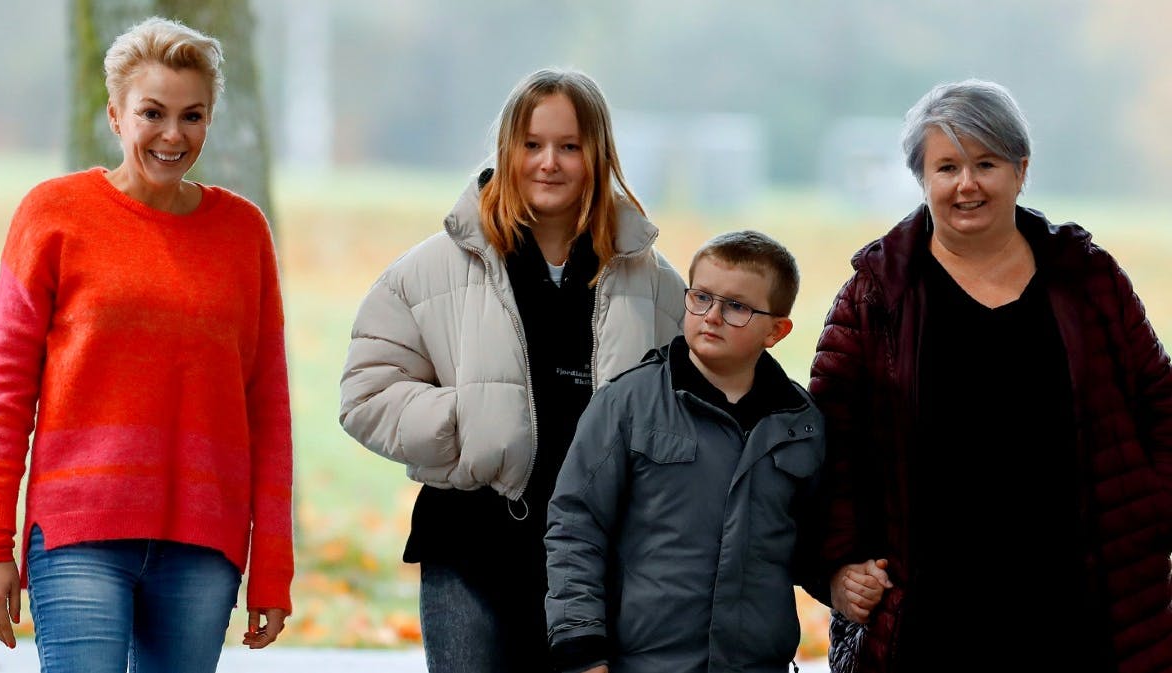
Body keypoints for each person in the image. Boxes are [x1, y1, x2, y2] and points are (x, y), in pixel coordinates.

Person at [810, 78, 1172, 673]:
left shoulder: (1088, 277)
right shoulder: (879, 292)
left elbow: (1160, 401)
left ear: (1021, 170)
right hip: (929, 621)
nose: (967, 184)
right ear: (923, 179)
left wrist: (1149, 518)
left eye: (986, 162)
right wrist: (837, 563)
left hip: (1079, 613)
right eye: (947, 166)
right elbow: (825, 444)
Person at [0, 16, 293, 672]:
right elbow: (6, 392)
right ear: (115, 115)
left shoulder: (242, 232)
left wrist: (274, 568)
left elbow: (269, 410)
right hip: (77, 533)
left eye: (193, 115)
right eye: (153, 112)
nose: (173, 134)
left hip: (204, 543)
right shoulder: (54, 214)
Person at [338, 68, 685, 672]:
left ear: (597, 155)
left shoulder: (652, 282)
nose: (548, 163)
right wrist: (467, 424)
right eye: (531, 145)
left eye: (569, 146)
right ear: (507, 151)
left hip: (605, 564)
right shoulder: (432, 269)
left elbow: (694, 403)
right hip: (471, 552)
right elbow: (365, 394)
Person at [546, 230, 874, 673]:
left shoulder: (802, 424)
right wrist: (581, 650)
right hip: (645, 663)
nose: (712, 316)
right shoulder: (627, 403)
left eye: (736, 306)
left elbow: (809, 541)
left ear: (777, 330)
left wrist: (837, 582)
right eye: (700, 297)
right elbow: (575, 528)